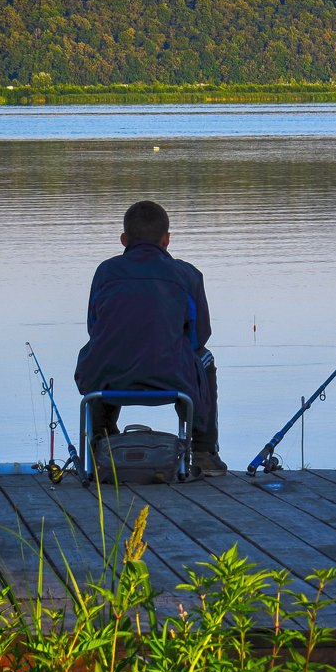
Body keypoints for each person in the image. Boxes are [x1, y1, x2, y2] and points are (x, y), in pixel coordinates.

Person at [74, 200, 227, 476]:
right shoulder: (187, 275)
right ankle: (204, 451)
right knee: (205, 358)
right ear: (166, 239)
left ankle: (101, 439)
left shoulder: (105, 272)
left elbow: (93, 327)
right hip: (172, 378)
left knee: (101, 350)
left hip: (110, 378)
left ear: (123, 239)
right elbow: (199, 336)